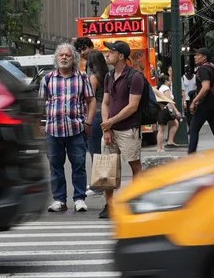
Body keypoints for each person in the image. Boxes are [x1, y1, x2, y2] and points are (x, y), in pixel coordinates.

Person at [99, 40, 147, 215]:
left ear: (120, 56)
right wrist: (106, 127)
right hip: (110, 129)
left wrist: (110, 122)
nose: (107, 54)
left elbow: (133, 106)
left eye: (110, 52)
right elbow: (105, 102)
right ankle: (109, 205)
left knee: (134, 164)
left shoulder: (135, 77)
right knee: (107, 167)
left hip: (128, 129)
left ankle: (138, 199)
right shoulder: (108, 76)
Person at [42, 44, 92, 213]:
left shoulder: (82, 78)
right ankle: (59, 200)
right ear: (57, 58)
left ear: (74, 59)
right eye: (61, 55)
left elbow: (91, 101)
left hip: (76, 128)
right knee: (55, 166)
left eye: (67, 55)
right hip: (53, 130)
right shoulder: (48, 78)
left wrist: (89, 122)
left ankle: (79, 198)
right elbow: (41, 103)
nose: (64, 57)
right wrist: (40, 125)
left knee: (79, 164)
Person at [188, 48, 214, 153]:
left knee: (193, 129)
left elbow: (205, 87)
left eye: (197, 55)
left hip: (205, 105)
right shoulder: (212, 68)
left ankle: (191, 155)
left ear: (204, 57)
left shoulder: (203, 69)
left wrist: (194, 101)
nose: (195, 57)